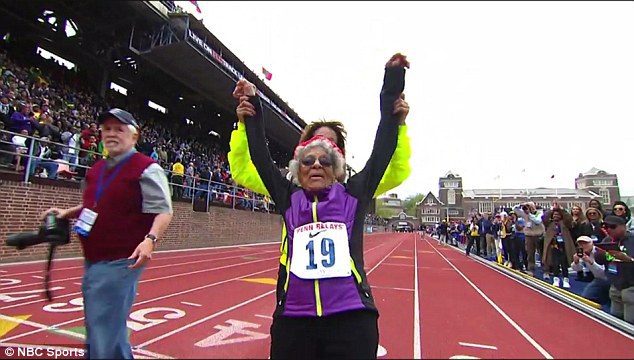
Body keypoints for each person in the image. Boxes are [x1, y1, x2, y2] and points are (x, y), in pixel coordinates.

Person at [236, 53, 408, 359]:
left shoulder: (354, 195)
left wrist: (392, 85)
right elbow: (259, 156)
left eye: (326, 158)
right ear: (297, 168)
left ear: (338, 167)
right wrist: (253, 109)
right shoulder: (289, 197)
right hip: (294, 319)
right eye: (308, 159)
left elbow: (383, 147)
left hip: (351, 318)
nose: (316, 164)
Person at [228, 79, 411, 267]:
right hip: (294, 280)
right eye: (317, 141)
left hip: (341, 286)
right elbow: (242, 170)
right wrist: (244, 126)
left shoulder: (354, 191)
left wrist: (398, 127)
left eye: (331, 143)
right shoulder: (286, 187)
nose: (323, 148)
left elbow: (396, 173)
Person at [41, 108, 173, 358]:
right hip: (94, 258)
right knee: (105, 328)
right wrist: (66, 213)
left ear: (134, 137)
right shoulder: (97, 169)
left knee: (102, 327)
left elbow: (163, 211)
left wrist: (150, 240)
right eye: (107, 129)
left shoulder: (146, 168)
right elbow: (95, 206)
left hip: (121, 260)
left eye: (119, 129)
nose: (112, 134)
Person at [594, 216, 634, 324]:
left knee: (630, 321)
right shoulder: (607, 241)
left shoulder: (632, 240)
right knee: (615, 319)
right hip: (615, 285)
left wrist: (628, 259)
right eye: (606, 227)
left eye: (612, 226)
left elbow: (629, 259)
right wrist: (604, 255)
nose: (609, 229)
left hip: (631, 286)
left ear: (623, 227)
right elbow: (600, 260)